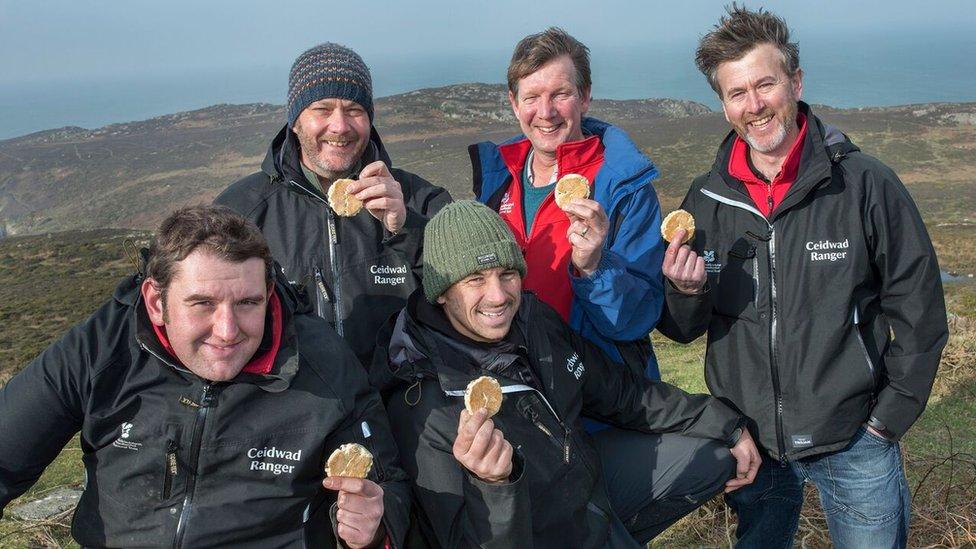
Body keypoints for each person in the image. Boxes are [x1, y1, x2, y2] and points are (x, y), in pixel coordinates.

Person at [657, 6, 949, 548]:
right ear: (723, 105)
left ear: (796, 82)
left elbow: (920, 311)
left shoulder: (864, 184)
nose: (754, 105)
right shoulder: (706, 199)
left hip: (856, 440)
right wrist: (684, 290)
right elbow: (681, 329)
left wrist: (886, 421)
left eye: (766, 84)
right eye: (736, 93)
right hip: (754, 449)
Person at [0, 205, 410, 548]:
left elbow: (387, 486)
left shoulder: (323, 363)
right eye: (202, 304)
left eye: (248, 303)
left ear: (268, 295)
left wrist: (373, 527)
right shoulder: (101, 349)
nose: (228, 330)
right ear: (155, 302)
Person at [372, 200, 761, 548]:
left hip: (583, 491)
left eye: (507, 273)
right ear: (441, 292)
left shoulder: (533, 319)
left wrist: (723, 421)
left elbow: (621, 393)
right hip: (527, 531)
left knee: (714, 453)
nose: (498, 296)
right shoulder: (425, 406)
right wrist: (494, 487)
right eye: (475, 279)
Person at [217, 43, 451, 367]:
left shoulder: (418, 198)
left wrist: (407, 230)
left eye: (354, 109)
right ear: (295, 122)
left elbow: (473, 293)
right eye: (323, 109)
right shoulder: (241, 213)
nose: (340, 126)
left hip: (403, 402)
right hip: (296, 405)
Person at [470, 28, 664, 382]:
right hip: (522, 391)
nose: (545, 112)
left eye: (560, 94)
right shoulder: (496, 179)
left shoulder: (624, 188)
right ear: (514, 104)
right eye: (531, 97)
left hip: (602, 400)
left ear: (585, 97)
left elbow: (638, 318)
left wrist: (594, 268)